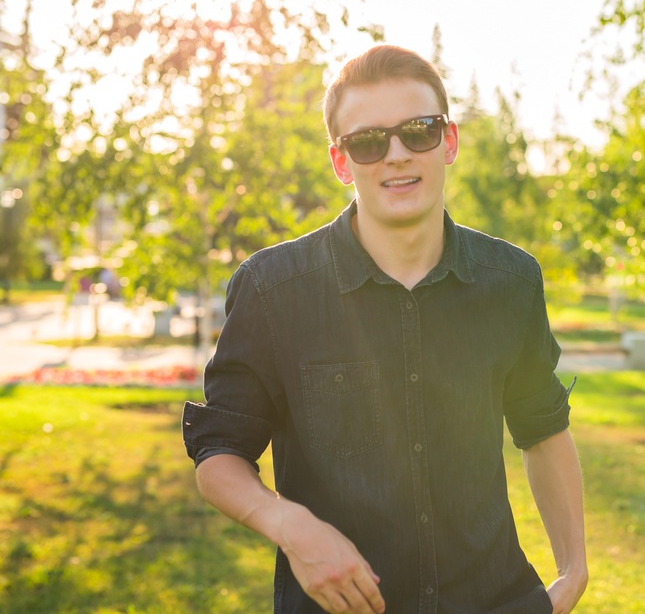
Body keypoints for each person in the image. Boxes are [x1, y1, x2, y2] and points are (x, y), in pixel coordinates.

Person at [182, 45, 587, 614]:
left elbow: (542, 428)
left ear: (448, 142)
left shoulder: (511, 281)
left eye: (418, 131)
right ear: (342, 162)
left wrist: (572, 573)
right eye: (369, 141)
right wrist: (291, 525)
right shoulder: (272, 290)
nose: (396, 154)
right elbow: (220, 454)